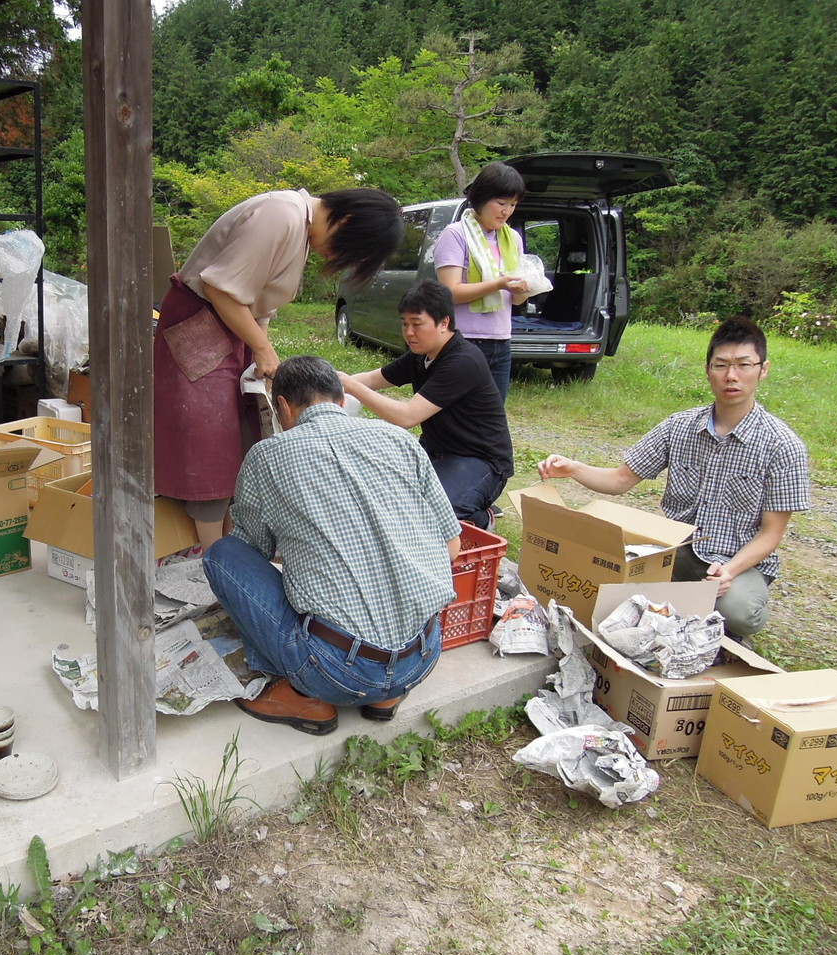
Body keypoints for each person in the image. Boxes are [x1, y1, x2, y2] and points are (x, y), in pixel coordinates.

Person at [203, 355, 462, 735]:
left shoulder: (267, 456)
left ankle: (301, 695)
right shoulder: (399, 439)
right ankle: (386, 696)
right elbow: (451, 546)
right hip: (421, 657)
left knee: (223, 555)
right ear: (342, 402)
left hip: (335, 671)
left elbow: (252, 551)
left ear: (284, 408)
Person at [154, 188, 403, 550]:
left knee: (240, 438)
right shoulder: (280, 214)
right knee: (208, 446)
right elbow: (221, 289)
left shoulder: (298, 229)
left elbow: (259, 303)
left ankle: (225, 541)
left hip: (233, 331)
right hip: (199, 327)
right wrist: (261, 346)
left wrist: (259, 348)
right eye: (349, 249)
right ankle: (210, 553)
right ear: (345, 221)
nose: (339, 258)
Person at [537, 317, 810, 640]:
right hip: (677, 550)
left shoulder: (783, 445)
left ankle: (727, 626)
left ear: (762, 369)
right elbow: (620, 480)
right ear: (708, 370)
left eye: (743, 365)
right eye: (720, 365)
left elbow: (770, 534)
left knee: (740, 612)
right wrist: (574, 469)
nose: (731, 376)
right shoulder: (678, 427)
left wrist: (730, 571)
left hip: (737, 561)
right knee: (603, 569)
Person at [338, 279, 512, 531]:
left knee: (435, 513)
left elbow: (407, 416)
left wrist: (352, 387)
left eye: (417, 324)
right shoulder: (421, 355)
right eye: (405, 324)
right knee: (382, 495)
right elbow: (375, 379)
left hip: (480, 461)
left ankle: (481, 519)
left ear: (444, 323)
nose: (409, 332)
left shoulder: (462, 361)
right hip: (436, 452)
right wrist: (329, 381)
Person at [432, 161, 531, 400]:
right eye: (500, 203)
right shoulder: (455, 235)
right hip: (463, 340)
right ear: (481, 197)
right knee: (458, 412)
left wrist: (525, 288)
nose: (506, 211)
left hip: (501, 340)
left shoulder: (512, 239)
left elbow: (516, 300)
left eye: (513, 204)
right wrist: (499, 283)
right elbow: (450, 292)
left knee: (493, 416)